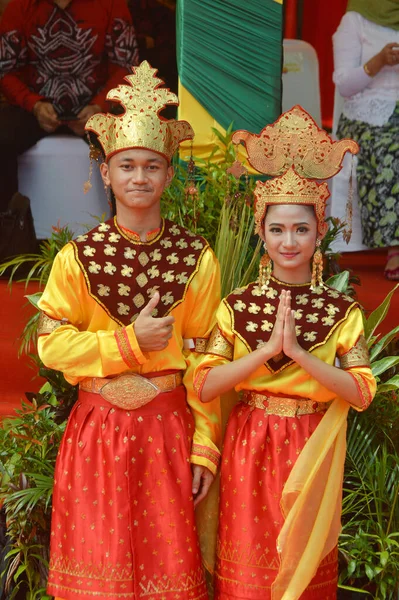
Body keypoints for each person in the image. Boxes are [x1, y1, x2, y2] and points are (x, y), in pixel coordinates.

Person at [36, 60, 221, 600]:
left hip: (169, 430)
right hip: (98, 429)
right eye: (127, 166)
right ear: (106, 173)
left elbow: (210, 356)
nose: (139, 178)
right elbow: (51, 344)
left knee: (169, 574)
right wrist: (127, 342)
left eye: (152, 166)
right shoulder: (79, 257)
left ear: (169, 174)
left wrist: (205, 446)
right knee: (101, 576)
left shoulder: (196, 257)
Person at [194, 106, 377, 600]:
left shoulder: (341, 310)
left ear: (319, 231)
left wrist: (298, 353)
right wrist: (267, 352)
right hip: (249, 446)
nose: (288, 241)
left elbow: (361, 391)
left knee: (302, 576)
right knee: (249, 578)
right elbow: (204, 383)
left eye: (300, 229)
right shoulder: (235, 307)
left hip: (310, 448)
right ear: (261, 232)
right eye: (277, 230)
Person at [0, 0, 139, 212]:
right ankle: (9, 232)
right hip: (34, 109)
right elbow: (5, 70)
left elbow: (126, 65)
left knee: (136, 143)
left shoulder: (111, 4)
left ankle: (127, 236)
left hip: (97, 109)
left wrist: (99, 106)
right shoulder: (20, 6)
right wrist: (34, 104)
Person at [333, 0, 399, 279]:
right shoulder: (356, 20)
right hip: (365, 114)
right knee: (390, 148)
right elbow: (345, 84)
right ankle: (395, 246)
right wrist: (379, 61)